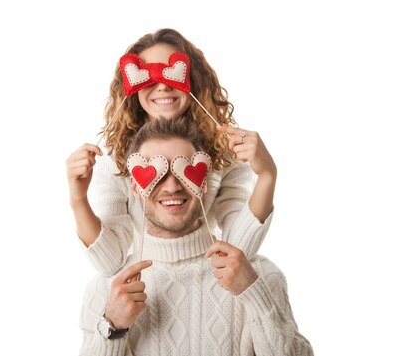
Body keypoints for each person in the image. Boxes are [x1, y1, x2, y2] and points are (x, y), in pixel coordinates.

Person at [79, 118, 313, 355]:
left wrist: (254, 294)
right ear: (135, 187)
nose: (172, 187)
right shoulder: (108, 290)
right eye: (156, 173)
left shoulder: (257, 276)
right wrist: (112, 328)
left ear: (204, 183)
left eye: (183, 171)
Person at [67, 29, 277, 277]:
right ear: (132, 84)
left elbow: (239, 250)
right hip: (148, 283)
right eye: (148, 76)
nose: (163, 85)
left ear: (193, 80)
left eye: (172, 73)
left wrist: (267, 176)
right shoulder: (114, 158)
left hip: (211, 277)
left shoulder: (225, 151)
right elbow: (109, 263)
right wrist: (78, 200)